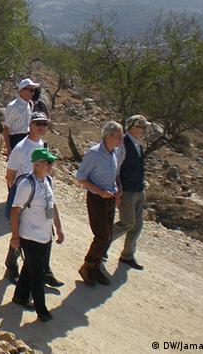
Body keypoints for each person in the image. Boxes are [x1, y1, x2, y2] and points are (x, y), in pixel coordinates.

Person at [4, 112, 63, 287]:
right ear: (30, 125)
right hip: (26, 193)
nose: (42, 127)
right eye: (38, 124)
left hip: (40, 191)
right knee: (21, 233)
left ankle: (45, 270)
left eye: (45, 124)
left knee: (46, 231)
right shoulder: (21, 148)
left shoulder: (42, 144)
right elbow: (10, 175)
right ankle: (11, 265)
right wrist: (19, 196)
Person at [10, 148, 64, 323]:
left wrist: (59, 227)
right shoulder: (27, 185)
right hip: (30, 236)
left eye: (51, 163)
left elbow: (53, 204)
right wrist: (15, 237)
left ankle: (20, 296)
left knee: (30, 268)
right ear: (37, 164)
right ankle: (42, 311)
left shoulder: (47, 180)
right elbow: (15, 210)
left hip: (45, 236)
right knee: (38, 274)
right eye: (48, 163)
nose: (51, 166)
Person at [76, 121, 124, 286]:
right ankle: (87, 266)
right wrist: (99, 191)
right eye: (118, 136)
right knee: (102, 235)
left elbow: (115, 173)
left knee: (108, 235)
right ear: (109, 136)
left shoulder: (114, 153)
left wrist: (118, 189)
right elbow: (81, 177)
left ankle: (96, 268)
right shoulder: (94, 153)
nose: (121, 140)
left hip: (110, 198)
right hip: (97, 199)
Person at [111, 115, 150, 270]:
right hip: (127, 190)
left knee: (137, 225)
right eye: (142, 127)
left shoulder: (137, 144)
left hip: (138, 190)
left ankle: (127, 255)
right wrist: (118, 190)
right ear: (133, 127)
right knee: (127, 222)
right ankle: (102, 244)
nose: (144, 130)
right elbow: (116, 168)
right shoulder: (123, 144)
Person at [3, 78, 38, 158]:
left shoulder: (30, 104)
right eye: (31, 90)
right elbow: (6, 129)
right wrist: (9, 149)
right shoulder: (13, 106)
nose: (32, 93)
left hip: (26, 138)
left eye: (33, 90)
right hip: (15, 139)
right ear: (22, 90)